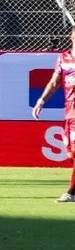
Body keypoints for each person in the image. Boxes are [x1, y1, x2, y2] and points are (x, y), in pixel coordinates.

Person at [27, 25, 75, 202]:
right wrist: (41, 101)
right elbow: (54, 83)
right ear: (71, 36)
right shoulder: (64, 58)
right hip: (69, 111)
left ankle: (71, 192)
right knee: (70, 154)